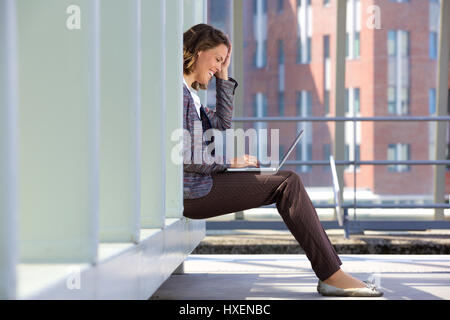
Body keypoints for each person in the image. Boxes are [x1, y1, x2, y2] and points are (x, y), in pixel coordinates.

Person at [182, 23, 383, 297]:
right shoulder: (179, 96)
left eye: (222, 61)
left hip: (202, 182)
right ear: (197, 51)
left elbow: (222, 125)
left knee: (288, 181)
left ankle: (332, 274)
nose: (218, 66)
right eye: (217, 59)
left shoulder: (190, 95)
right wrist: (232, 161)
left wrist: (224, 76)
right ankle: (331, 275)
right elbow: (188, 156)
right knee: (288, 183)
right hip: (194, 191)